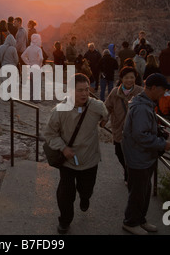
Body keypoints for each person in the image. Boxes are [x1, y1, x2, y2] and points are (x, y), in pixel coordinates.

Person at [43, 73, 108, 234]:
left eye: (86, 89)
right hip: (68, 160)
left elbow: (106, 114)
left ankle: (85, 198)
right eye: (80, 90)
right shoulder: (59, 110)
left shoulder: (96, 106)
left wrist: (104, 121)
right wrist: (63, 148)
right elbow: (50, 134)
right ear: (71, 91)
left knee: (86, 189)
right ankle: (64, 221)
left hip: (89, 158)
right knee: (65, 193)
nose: (84, 94)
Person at [121, 73, 170, 235]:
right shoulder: (143, 107)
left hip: (144, 157)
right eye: (163, 90)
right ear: (153, 88)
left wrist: (157, 131)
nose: (164, 93)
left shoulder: (146, 104)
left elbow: (142, 130)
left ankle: (140, 219)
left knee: (144, 190)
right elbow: (140, 135)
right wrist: (162, 144)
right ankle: (130, 222)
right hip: (138, 157)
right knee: (138, 192)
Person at [103, 66, 143, 185]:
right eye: (126, 78)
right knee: (119, 152)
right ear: (121, 78)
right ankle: (127, 170)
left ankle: (129, 175)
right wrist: (104, 119)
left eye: (132, 77)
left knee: (131, 154)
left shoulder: (140, 92)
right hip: (118, 127)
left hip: (134, 129)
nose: (129, 80)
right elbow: (107, 106)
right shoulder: (115, 92)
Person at [21, 33, 44, 102]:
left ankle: (31, 97)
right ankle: (36, 99)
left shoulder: (29, 48)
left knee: (31, 83)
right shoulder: (38, 49)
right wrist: (39, 64)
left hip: (31, 67)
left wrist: (28, 62)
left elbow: (22, 56)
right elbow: (41, 58)